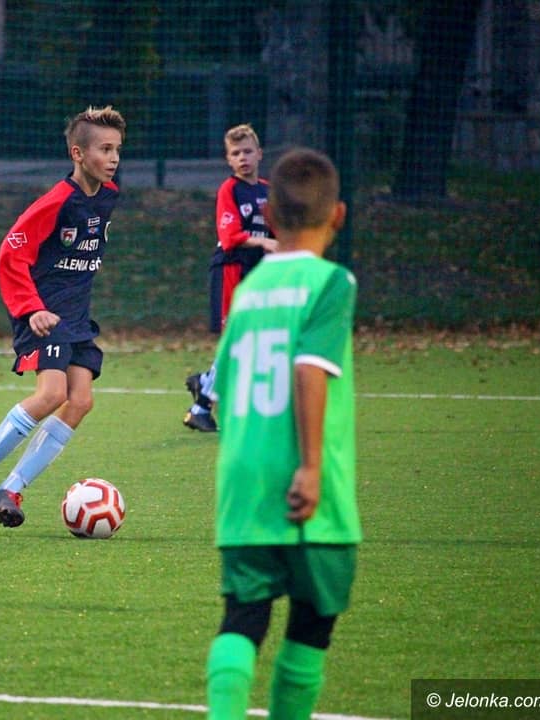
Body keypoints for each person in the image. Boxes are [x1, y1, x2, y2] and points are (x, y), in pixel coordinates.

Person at [205, 147, 360, 719]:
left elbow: (224, 386)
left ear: (269, 216)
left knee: (243, 617)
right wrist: (312, 466)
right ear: (338, 215)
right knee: (312, 623)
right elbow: (308, 370)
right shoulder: (332, 282)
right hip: (309, 483)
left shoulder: (248, 293)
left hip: (243, 484)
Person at [0, 105, 126, 528]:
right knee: (51, 395)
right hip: (43, 316)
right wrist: (31, 308)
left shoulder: (108, 196)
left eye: (117, 149)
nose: (114, 158)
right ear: (78, 154)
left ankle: (10, 490)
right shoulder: (56, 202)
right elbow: (12, 253)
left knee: (80, 401)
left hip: (75, 319)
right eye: (104, 149)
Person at [184, 124, 279, 433]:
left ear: (259, 154)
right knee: (236, 340)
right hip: (232, 269)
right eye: (236, 153)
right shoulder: (230, 189)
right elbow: (229, 237)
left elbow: (277, 231)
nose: (242, 158)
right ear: (228, 159)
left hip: (256, 274)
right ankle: (200, 407)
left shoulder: (266, 190)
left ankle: (204, 384)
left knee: (249, 341)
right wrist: (265, 242)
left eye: (248, 151)